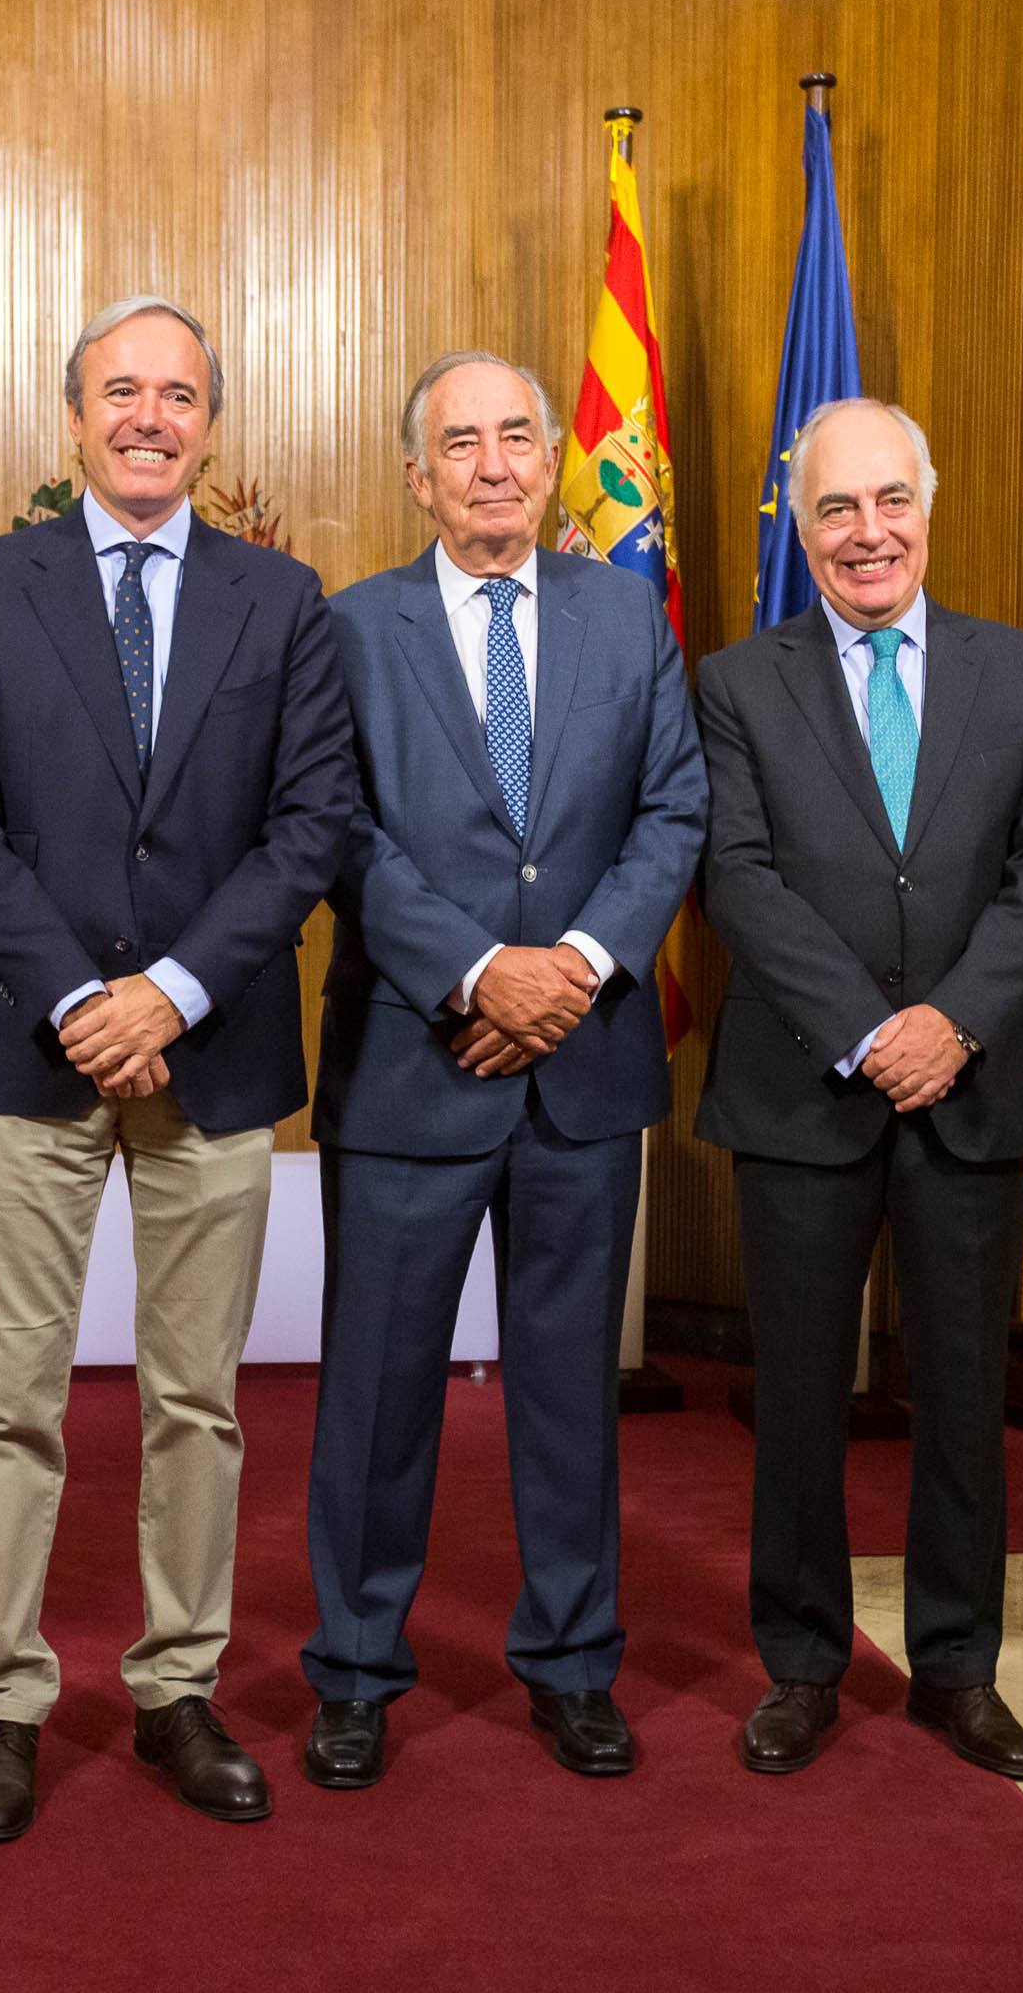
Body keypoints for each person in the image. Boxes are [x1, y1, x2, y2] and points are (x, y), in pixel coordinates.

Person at [0, 295, 355, 1841]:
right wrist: (80, 1000)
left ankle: (177, 1687)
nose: (148, 417)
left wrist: (168, 994)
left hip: (213, 1053)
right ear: (74, 415)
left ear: (210, 427)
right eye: (121, 392)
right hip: (24, 1050)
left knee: (197, 1400)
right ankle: (6, 1703)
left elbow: (309, 825)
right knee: (7, 1402)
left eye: (177, 395)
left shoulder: (282, 600)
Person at [299, 351, 705, 1788]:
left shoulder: (626, 613)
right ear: (418, 477)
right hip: (412, 1067)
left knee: (570, 1391)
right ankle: (355, 1671)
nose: (492, 465)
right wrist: (480, 973)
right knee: (377, 1393)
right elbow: (338, 828)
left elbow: (673, 809)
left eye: (517, 438)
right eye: (460, 443)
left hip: (582, 1072)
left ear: (550, 463)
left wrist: (573, 971)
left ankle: (575, 1665)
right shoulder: (352, 627)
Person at [692, 399, 1023, 1783]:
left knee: (965, 1396)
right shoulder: (737, 682)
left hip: (971, 1087)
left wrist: (953, 1022)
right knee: (798, 1397)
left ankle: (958, 1669)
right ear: (801, 529)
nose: (868, 533)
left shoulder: (1017, 670)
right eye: (837, 509)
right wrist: (868, 1031)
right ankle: (802, 1664)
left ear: (930, 501)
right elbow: (737, 875)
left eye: (890, 501)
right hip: (807, 1088)